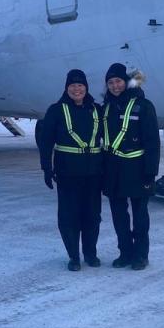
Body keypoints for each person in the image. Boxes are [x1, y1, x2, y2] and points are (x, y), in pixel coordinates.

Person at [38, 69, 104, 271]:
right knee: (69, 216)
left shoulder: (97, 110)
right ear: (67, 88)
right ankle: (74, 257)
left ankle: (90, 254)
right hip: (67, 173)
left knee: (92, 215)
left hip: (93, 173)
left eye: (81, 85)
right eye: (73, 86)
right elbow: (45, 141)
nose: (77, 89)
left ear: (86, 87)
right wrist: (46, 168)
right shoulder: (56, 110)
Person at [101, 63, 160, 270]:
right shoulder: (107, 107)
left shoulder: (143, 106)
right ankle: (125, 252)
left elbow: (152, 141)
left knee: (140, 216)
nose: (115, 86)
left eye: (118, 81)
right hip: (113, 169)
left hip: (137, 168)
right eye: (110, 83)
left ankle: (141, 255)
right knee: (119, 215)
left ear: (126, 82)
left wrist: (150, 172)